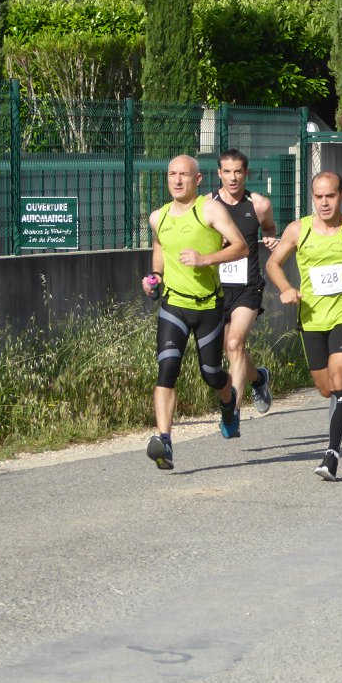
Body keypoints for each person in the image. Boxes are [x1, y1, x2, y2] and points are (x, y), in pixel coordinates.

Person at [266, 171, 342, 481]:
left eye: (330, 196)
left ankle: (332, 454)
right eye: (319, 196)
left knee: (340, 376)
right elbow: (272, 263)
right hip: (311, 318)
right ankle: (339, 412)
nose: (324, 202)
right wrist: (285, 287)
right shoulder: (298, 230)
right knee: (326, 389)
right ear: (313, 197)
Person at [143, 155, 249, 471]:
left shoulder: (209, 210)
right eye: (172, 174)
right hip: (173, 305)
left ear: (198, 179)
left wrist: (205, 259)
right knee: (167, 369)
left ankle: (228, 405)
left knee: (211, 374)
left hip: (208, 306)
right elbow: (160, 246)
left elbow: (240, 247)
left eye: (184, 175)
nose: (177, 180)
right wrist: (155, 277)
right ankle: (165, 441)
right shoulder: (157, 216)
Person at [211, 149, 279, 415]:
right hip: (216, 286)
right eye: (227, 172)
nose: (233, 177)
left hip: (248, 285)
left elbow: (270, 228)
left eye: (238, 171)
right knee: (228, 348)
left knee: (235, 343)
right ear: (219, 174)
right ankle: (258, 379)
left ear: (246, 173)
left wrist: (272, 239)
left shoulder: (259, 204)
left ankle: (233, 410)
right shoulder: (208, 204)